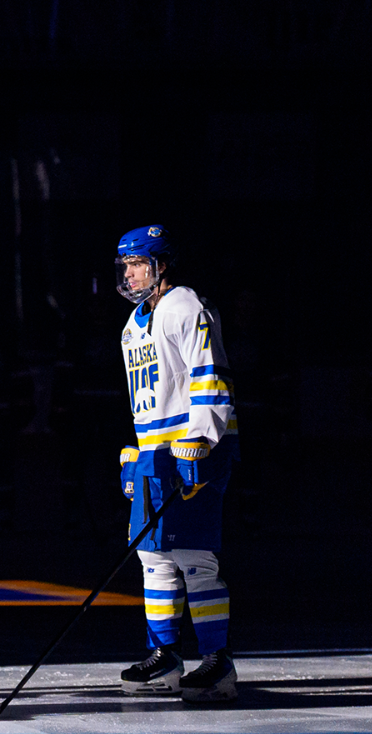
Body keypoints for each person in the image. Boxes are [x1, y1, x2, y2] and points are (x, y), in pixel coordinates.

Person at [112, 224, 239, 702]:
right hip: (156, 453)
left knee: (194, 558)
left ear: (161, 265)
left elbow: (209, 373)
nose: (129, 274)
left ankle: (216, 661)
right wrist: (139, 452)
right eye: (125, 265)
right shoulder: (132, 325)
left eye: (137, 264)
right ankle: (164, 654)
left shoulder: (185, 305)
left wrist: (202, 440)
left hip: (192, 450)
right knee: (152, 558)